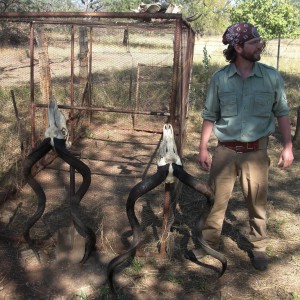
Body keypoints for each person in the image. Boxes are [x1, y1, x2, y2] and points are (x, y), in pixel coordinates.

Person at [188, 22, 294, 271]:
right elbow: (210, 115)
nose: (260, 46)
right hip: (225, 151)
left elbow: (283, 113)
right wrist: (203, 147)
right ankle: (208, 244)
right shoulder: (220, 79)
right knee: (215, 201)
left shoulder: (271, 76)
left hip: (257, 152)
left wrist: (288, 146)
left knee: (257, 202)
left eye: (260, 41)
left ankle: (258, 247)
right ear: (237, 47)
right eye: (254, 42)